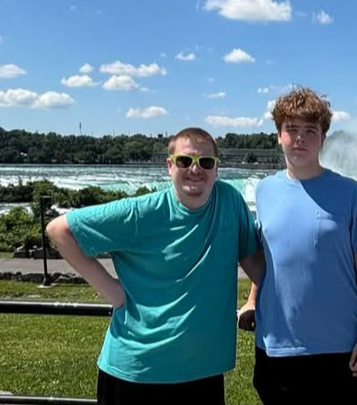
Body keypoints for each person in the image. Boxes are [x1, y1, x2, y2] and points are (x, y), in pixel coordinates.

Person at [46, 127, 264, 405]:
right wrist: (112, 291)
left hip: (203, 373)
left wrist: (262, 298)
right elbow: (60, 230)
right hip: (135, 373)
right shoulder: (140, 212)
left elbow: (254, 260)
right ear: (169, 166)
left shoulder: (230, 202)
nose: (195, 169)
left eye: (206, 162)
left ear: (216, 169)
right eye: (185, 161)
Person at [241, 87, 357, 405]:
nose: (300, 139)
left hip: (339, 345)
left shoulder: (351, 193)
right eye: (291, 129)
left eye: (310, 131)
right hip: (276, 343)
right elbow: (267, 257)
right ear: (279, 135)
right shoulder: (263, 191)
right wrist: (252, 299)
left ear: (323, 139)